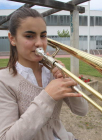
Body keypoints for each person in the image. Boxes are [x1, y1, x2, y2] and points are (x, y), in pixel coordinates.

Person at [0, 7, 88, 140]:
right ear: (12, 39)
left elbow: (81, 110)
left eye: (43, 35)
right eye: (29, 36)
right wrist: (47, 96)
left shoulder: (52, 73)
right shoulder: (4, 81)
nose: (40, 43)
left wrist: (68, 79)